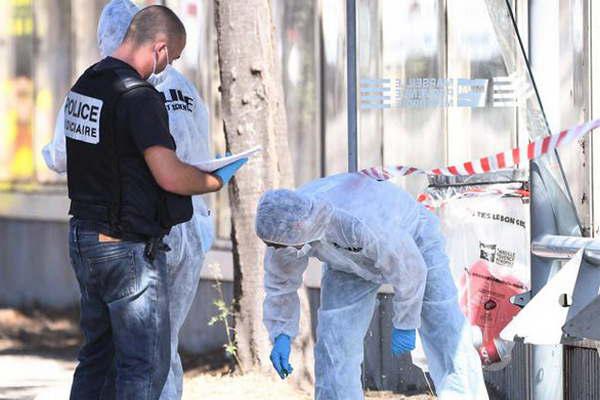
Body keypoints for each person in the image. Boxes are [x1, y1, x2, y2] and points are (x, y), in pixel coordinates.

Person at [58, 5, 246, 400]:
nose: (168, 66)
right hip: (126, 248)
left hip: (86, 239)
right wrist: (214, 180)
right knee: (143, 365)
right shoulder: (139, 97)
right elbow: (170, 174)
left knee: (96, 357)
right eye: (172, 57)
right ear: (158, 48)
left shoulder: (85, 85)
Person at [256, 172, 489, 400]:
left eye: (278, 246)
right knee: (334, 343)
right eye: (273, 246)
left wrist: (406, 322)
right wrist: (282, 334)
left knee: (446, 331)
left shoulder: (360, 221)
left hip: (415, 241)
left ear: (300, 228)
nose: (276, 251)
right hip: (346, 261)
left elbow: (409, 267)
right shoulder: (282, 225)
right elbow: (280, 285)